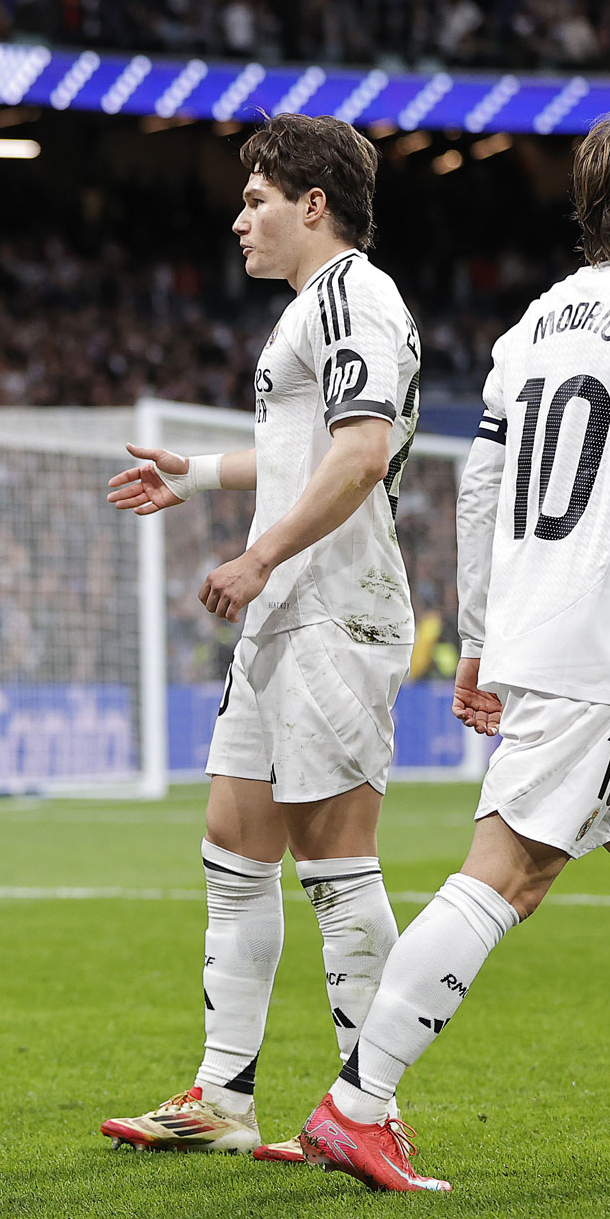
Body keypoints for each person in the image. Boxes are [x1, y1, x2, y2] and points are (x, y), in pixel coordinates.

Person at [301, 109, 610, 1192]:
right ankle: (358, 1104)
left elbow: (482, 492)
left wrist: (479, 640)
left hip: (554, 637)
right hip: (595, 645)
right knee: (510, 874)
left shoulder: (536, 323)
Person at [98, 112, 421, 1160]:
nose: (240, 218)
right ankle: (222, 1097)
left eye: (256, 199)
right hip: (291, 617)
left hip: (332, 611)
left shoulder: (355, 297)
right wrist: (196, 474)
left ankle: (370, 1115)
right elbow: (299, 450)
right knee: (235, 854)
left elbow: (362, 453)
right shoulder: (314, 311)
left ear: (313, 204)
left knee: (339, 870)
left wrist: (261, 555)